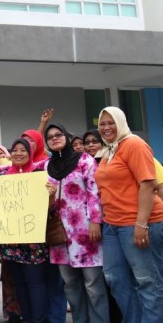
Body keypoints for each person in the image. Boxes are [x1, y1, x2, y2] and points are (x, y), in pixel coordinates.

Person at [94, 106, 163, 323]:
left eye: (111, 122)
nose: (106, 128)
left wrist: (141, 224)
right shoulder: (108, 151)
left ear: (121, 122)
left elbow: (148, 184)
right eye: (102, 124)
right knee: (116, 280)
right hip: (112, 226)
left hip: (140, 223)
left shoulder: (133, 144)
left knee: (148, 282)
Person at [42, 124, 108, 323]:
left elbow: (94, 192)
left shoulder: (84, 160)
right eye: (50, 137)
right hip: (60, 236)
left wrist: (96, 221)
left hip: (86, 232)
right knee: (71, 286)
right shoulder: (47, 167)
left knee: (93, 285)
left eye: (58, 134)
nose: (54, 138)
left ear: (67, 137)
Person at [0, 139, 52, 323]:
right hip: (11, 241)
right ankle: (28, 319)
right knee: (20, 284)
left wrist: (50, 195)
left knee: (35, 283)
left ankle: (39, 320)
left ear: (30, 154)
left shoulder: (39, 175)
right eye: (15, 150)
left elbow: (49, 208)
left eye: (23, 150)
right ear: (10, 154)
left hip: (33, 239)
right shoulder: (3, 177)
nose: (19, 153)